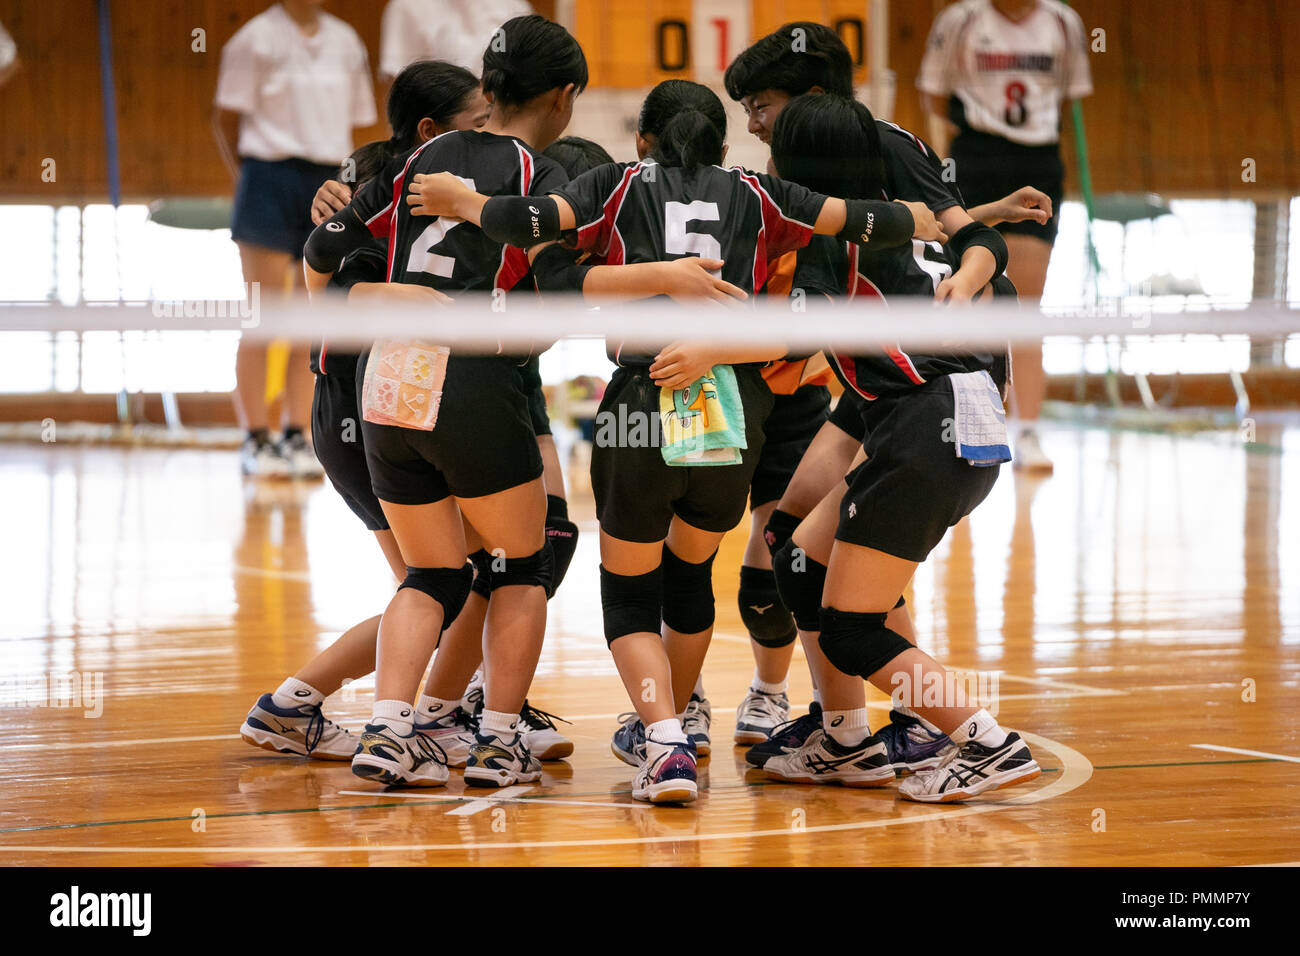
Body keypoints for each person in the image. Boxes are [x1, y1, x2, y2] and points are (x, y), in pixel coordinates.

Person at [409, 78, 947, 803]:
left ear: (643, 139)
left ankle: (663, 738)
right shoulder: (759, 191)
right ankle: (686, 729)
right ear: (725, 146)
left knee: (630, 596)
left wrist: (466, 204)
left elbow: (524, 218)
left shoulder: (614, 181)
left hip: (641, 403)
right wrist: (940, 216)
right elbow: (867, 220)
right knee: (693, 577)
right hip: (732, 410)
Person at [720, 20, 1044, 756]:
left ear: (808, 100)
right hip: (900, 387)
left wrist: (973, 261)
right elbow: (938, 231)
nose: (755, 123)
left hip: (925, 394)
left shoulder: (852, 178)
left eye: (763, 105)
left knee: (850, 605)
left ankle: (953, 729)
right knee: (794, 547)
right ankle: (845, 734)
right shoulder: (825, 204)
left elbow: (955, 240)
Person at [302, 14, 587, 788]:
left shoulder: (414, 160)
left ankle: (390, 733)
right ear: (562, 98)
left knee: (431, 575)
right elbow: (563, 251)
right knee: (524, 564)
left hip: (387, 379)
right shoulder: (541, 174)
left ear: (488, 88)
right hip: (470, 374)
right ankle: (496, 739)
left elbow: (323, 253)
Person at [239, 60, 490, 762]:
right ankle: (305, 706)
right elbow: (335, 296)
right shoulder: (374, 189)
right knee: (438, 583)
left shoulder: (438, 185)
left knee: (448, 580)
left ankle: (427, 709)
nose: (489, 136)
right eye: (478, 122)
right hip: (354, 406)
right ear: (431, 130)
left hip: (393, 405)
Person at [918, 0, 1093, 472]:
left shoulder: (1062, 22)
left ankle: (1029, 430)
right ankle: (958, 425)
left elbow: (1067, 98)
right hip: (975, 156)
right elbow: (933, 95)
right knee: (968, 293)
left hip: (1038, 158)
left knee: (1027, 304)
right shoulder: (963, 20)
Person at [213, 0, 376, 478]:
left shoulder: (345, 40)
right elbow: (224, 119)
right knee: (261, 314)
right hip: (267, 175)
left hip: (325, 177)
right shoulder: (252, 39)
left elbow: (357, 118)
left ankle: (298, 435)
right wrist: (250, 179)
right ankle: (255, 438)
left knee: (313, 315)